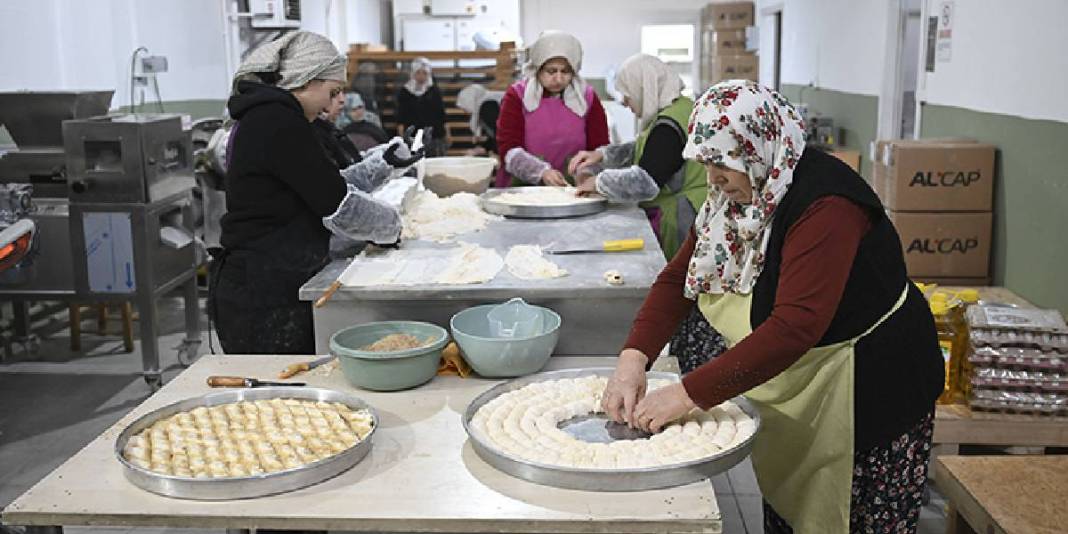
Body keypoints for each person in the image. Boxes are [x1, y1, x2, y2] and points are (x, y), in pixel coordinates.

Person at [601, 80, 943, 533]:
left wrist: (685, 395)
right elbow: (677, 280)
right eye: (705, 162)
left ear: (759, 146)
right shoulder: (735, 199)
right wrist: (633, 359)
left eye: (724, 163)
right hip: (805, 375)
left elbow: (795, 327)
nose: (715, 177)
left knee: (854, 516)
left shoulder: (827, 205)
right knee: (790, 507)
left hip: (869, 383)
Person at [211, 31, 421, 355]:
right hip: (263, 295)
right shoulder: (277, 122)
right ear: (307, 79)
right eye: (332, 90)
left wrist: (383, 164)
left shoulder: (273, 116)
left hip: (268, 281)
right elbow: (339, 205)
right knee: (280, 397)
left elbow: (324, 184)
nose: (333, 102)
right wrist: (391, 226)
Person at [569, 53, 722, 374]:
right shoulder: (674, 111)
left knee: (685, 298)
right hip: (684, 212)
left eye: (627, 93)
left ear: (645, 86)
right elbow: (641, 149)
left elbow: (646, 180)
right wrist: (602, 154)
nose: (625, 102)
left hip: (684, 218)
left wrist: (599, 181)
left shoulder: (670, 123)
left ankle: (689, 365)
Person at [495, 30, 609, 187]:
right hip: (523, 188)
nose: (559, 78)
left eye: (566, 71)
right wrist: (540, 172)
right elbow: (508, 149)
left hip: (573, 187)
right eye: (551, 71)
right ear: (538, 68)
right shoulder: (517, 96)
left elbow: (599, 149)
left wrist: (586, 174)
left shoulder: (586, 97)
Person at [396, 57, 447, 156]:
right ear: (413, 73)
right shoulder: (405, 91)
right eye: (418, 73)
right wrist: (402, 135)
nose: (421, 76)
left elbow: (441, 113)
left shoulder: (433, 90)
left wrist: (447, 133)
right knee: (416, 161)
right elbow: (401, 115)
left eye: (424, 73)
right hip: (414, 134)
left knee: (434, 162)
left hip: (434, 133)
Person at [312, 87, 363, 168]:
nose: (342, 100)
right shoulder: (314, 136)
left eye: (342, 92)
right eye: (334, 93)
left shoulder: (334, 132)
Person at [455, 83, 503, 156]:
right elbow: (493, 134)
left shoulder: (487, 106)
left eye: (464, 107)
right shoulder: (484, 105)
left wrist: (487, 149)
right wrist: (484, 148)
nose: (464, 111)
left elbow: (500, 133)